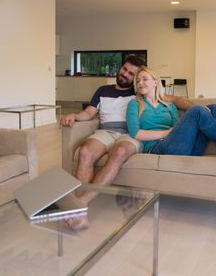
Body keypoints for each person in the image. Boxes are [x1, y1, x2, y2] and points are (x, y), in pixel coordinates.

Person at [61, 57, 192, 229]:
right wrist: (74, 116)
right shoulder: (103, 90)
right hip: (105, 132)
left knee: (120, 152)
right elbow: (88, 113)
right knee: (85, 152)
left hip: (130, 134)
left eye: (131, 73)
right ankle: (79, 211)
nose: (125, 74)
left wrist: (194, 107)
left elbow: (172, 99)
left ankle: (80, 204)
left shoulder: (139, 91)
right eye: (124, 69)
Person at [126, 66, 216, 158]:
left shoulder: (168, 104)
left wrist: (174, 132)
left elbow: (179, 127)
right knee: (197, 110)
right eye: (137, 81)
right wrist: (166, 133)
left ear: (155, 82)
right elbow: (136, 133)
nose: (140, 83)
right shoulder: (135, 104)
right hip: (159, 149)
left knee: (213, 108)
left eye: (144, 79)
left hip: (185, 148)